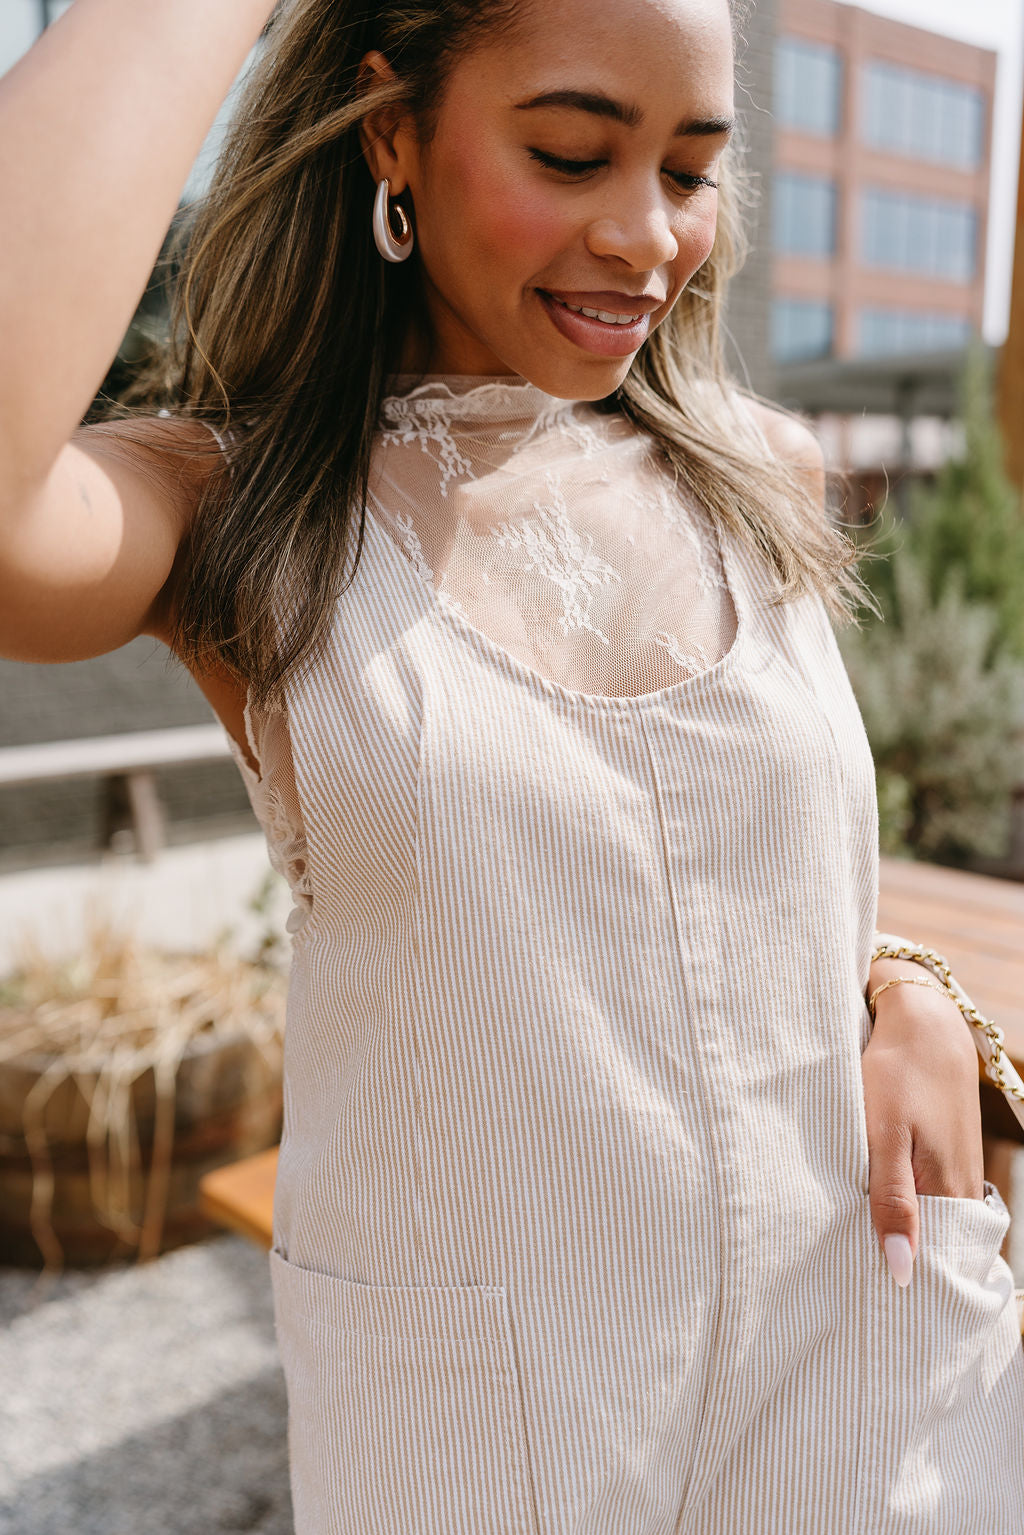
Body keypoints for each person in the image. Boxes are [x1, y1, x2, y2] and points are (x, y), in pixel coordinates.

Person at [1, 0, 1021, 1528]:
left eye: (688, 170)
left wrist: (905, 986)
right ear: (393, 131)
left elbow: (725, 864)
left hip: (870, 1380)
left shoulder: (766, 471)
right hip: (491, 1433)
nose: (645, 236)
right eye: (568, 152)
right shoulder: (245, 512)